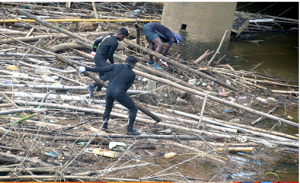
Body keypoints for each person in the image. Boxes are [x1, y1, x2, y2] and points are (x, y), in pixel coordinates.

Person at [77, 56, 141, 135]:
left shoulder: (115, 66)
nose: (134, 66)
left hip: (109, 90)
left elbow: (100, 69)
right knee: (133, 109)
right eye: (134, 64)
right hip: (119, 92)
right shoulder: (132, 74)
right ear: (131, 64)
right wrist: (119, 97)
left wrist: (85, 68)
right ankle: (130, 130)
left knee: (108, 109)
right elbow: (126, 88)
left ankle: (104, 127)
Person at [87, 28, 129, 96]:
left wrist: (93, 52)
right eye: (122, 37)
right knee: (110, 74)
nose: (122, 39)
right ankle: (91, 86)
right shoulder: (115, 43)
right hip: (100, 59)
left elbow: (96, 42)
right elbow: (110, 55)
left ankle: (98, 92)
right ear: (118, 34)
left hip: (98, 58)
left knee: (102, 75)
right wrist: (113, 63)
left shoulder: (107, 36)